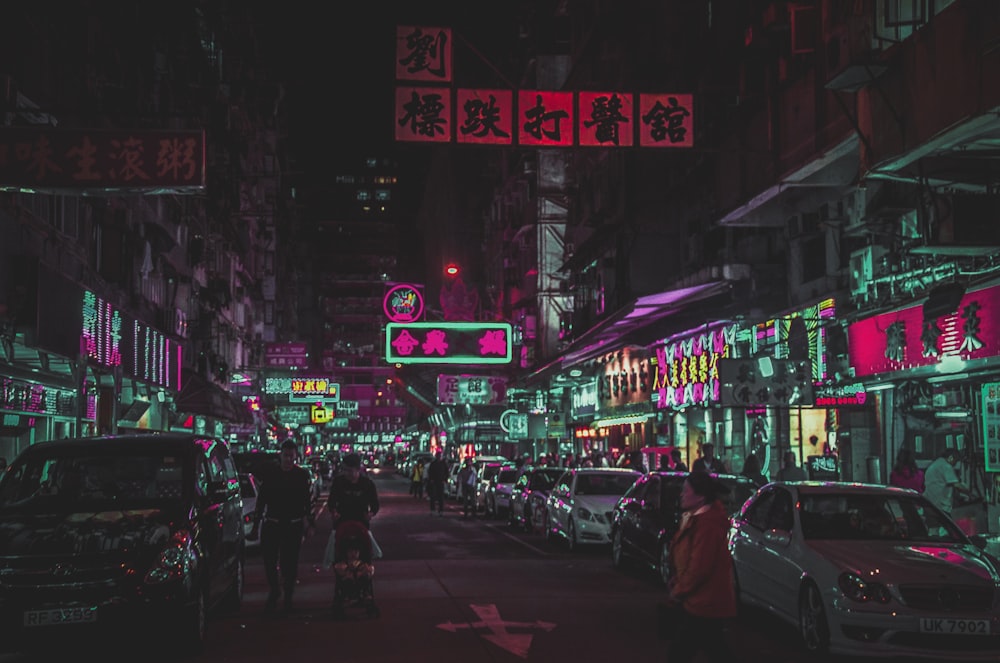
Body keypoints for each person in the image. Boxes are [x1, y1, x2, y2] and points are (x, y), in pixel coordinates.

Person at [665, 471, 737, 662]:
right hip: (700, 602)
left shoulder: (707, 526)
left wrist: (679, 589)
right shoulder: (695, 518)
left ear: (700, 496)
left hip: (705, 602)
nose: (681, 494)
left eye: (686, 491)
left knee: (681, 652)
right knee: (716, 648)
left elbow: (699, 568)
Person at [251, 439, 316, 614]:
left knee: (290, 563)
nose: (288, 460)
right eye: (286, 456)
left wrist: (309, 522)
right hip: (272, 523)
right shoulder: (271, 474)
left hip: (292, 525)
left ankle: (287, 596)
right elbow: (261, 501)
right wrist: (256, 524)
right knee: (269, 561)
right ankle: (274, 589)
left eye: (291, 457)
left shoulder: (301, 476)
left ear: (296, 457)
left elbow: (307, 502)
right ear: (280, 455)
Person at [325, 452, 381, 568]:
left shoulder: (367, 484)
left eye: (349, 470)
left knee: (364, 557)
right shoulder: (338, 482)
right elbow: (331, 501)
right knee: (340, 557)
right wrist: (333, 511)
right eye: (344, 470)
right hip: (341, 524)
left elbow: (375, 504)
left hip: (361, 524)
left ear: (357, 469)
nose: (347, 473)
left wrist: (370, 514)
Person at [923, 448, 973, 518]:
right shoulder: (946, 466)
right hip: (942, 506)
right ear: (951, 457)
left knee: (934, 527)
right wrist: (969, 493)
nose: (955, 464)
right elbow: (957, 485)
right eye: (956, 460)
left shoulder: (935, 464)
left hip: (930, 504)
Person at [426, 450, 449, 516]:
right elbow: (430, 472)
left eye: (440, 456)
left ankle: (441, 510)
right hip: (434, 482)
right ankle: (433, 510)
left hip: (440, 481)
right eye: (438, 456)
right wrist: (431, 480)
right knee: (433, 496)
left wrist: (445, 479)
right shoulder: (433, 464)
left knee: (440, 497)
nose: (439, 457)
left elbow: (447, 472)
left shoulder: (443, 464)